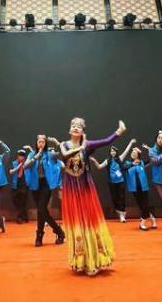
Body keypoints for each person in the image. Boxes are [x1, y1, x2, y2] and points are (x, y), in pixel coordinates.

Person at [59, 117, 126, 276]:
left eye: (79, 126)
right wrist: (80, 147)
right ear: (69, 129)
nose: (75, 127)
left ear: (83, 131)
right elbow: (65, 155)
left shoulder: (87, 145)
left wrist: (118, 132)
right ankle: (80, 260)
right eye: (73, 125)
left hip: (85, 188)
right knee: (77, 222)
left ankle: (94, 260)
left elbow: (105, 141)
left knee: (88, 221)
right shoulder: (63, 145)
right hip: (71, 189)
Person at [25, 135, 65, 246]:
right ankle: (58, 232)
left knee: (41, 208)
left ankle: (41, 235)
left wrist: (57, 143)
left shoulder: (49, 154)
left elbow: (62, 154)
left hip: (46, 184)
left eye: (43, 142)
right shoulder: (32, 154)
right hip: (35, 184)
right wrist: (35, 157)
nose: (41, 143)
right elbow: (25, 166)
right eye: (39, 141)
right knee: (41, 211)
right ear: (36, 143)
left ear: (45, 143)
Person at [90, 139, 133, 222]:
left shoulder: (119, 158)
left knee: (122, 197)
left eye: (114, 151)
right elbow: (99, 167)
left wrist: (130, 143)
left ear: (116, 152)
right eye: (111, 151)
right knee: (114, 198)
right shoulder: (108, 160)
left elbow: (126, 151)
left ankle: (122, 214)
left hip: (120, 181)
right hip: (112, 182)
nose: (113, 152)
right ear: (110, 152)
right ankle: (119, 211)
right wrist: (94, 161)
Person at [123, 142, 157, 231]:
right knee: (142, 206)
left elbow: (152, 159)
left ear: (138, 154)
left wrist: (147, 149)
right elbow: (123, 168)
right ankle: (153, 219)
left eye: (135, 153)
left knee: (145, 206)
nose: (133, 154)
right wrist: (132, 164)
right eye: (132, 152)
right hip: (134, 189)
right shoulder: (127, 163)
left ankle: (142, 223)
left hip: (144, 188)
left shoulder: (141, 162)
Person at [10, 149, 29, 223]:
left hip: (24, 184)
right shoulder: (14, 163)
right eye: (20, 155)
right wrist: (18, 167)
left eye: (23, 156)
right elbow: (11, 172)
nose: (21, 157)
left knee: (23, 200)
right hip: (15, 184)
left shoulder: (26, 163)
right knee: (15, 200)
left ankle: (20, 217)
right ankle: (25, 215)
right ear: (17, 156)